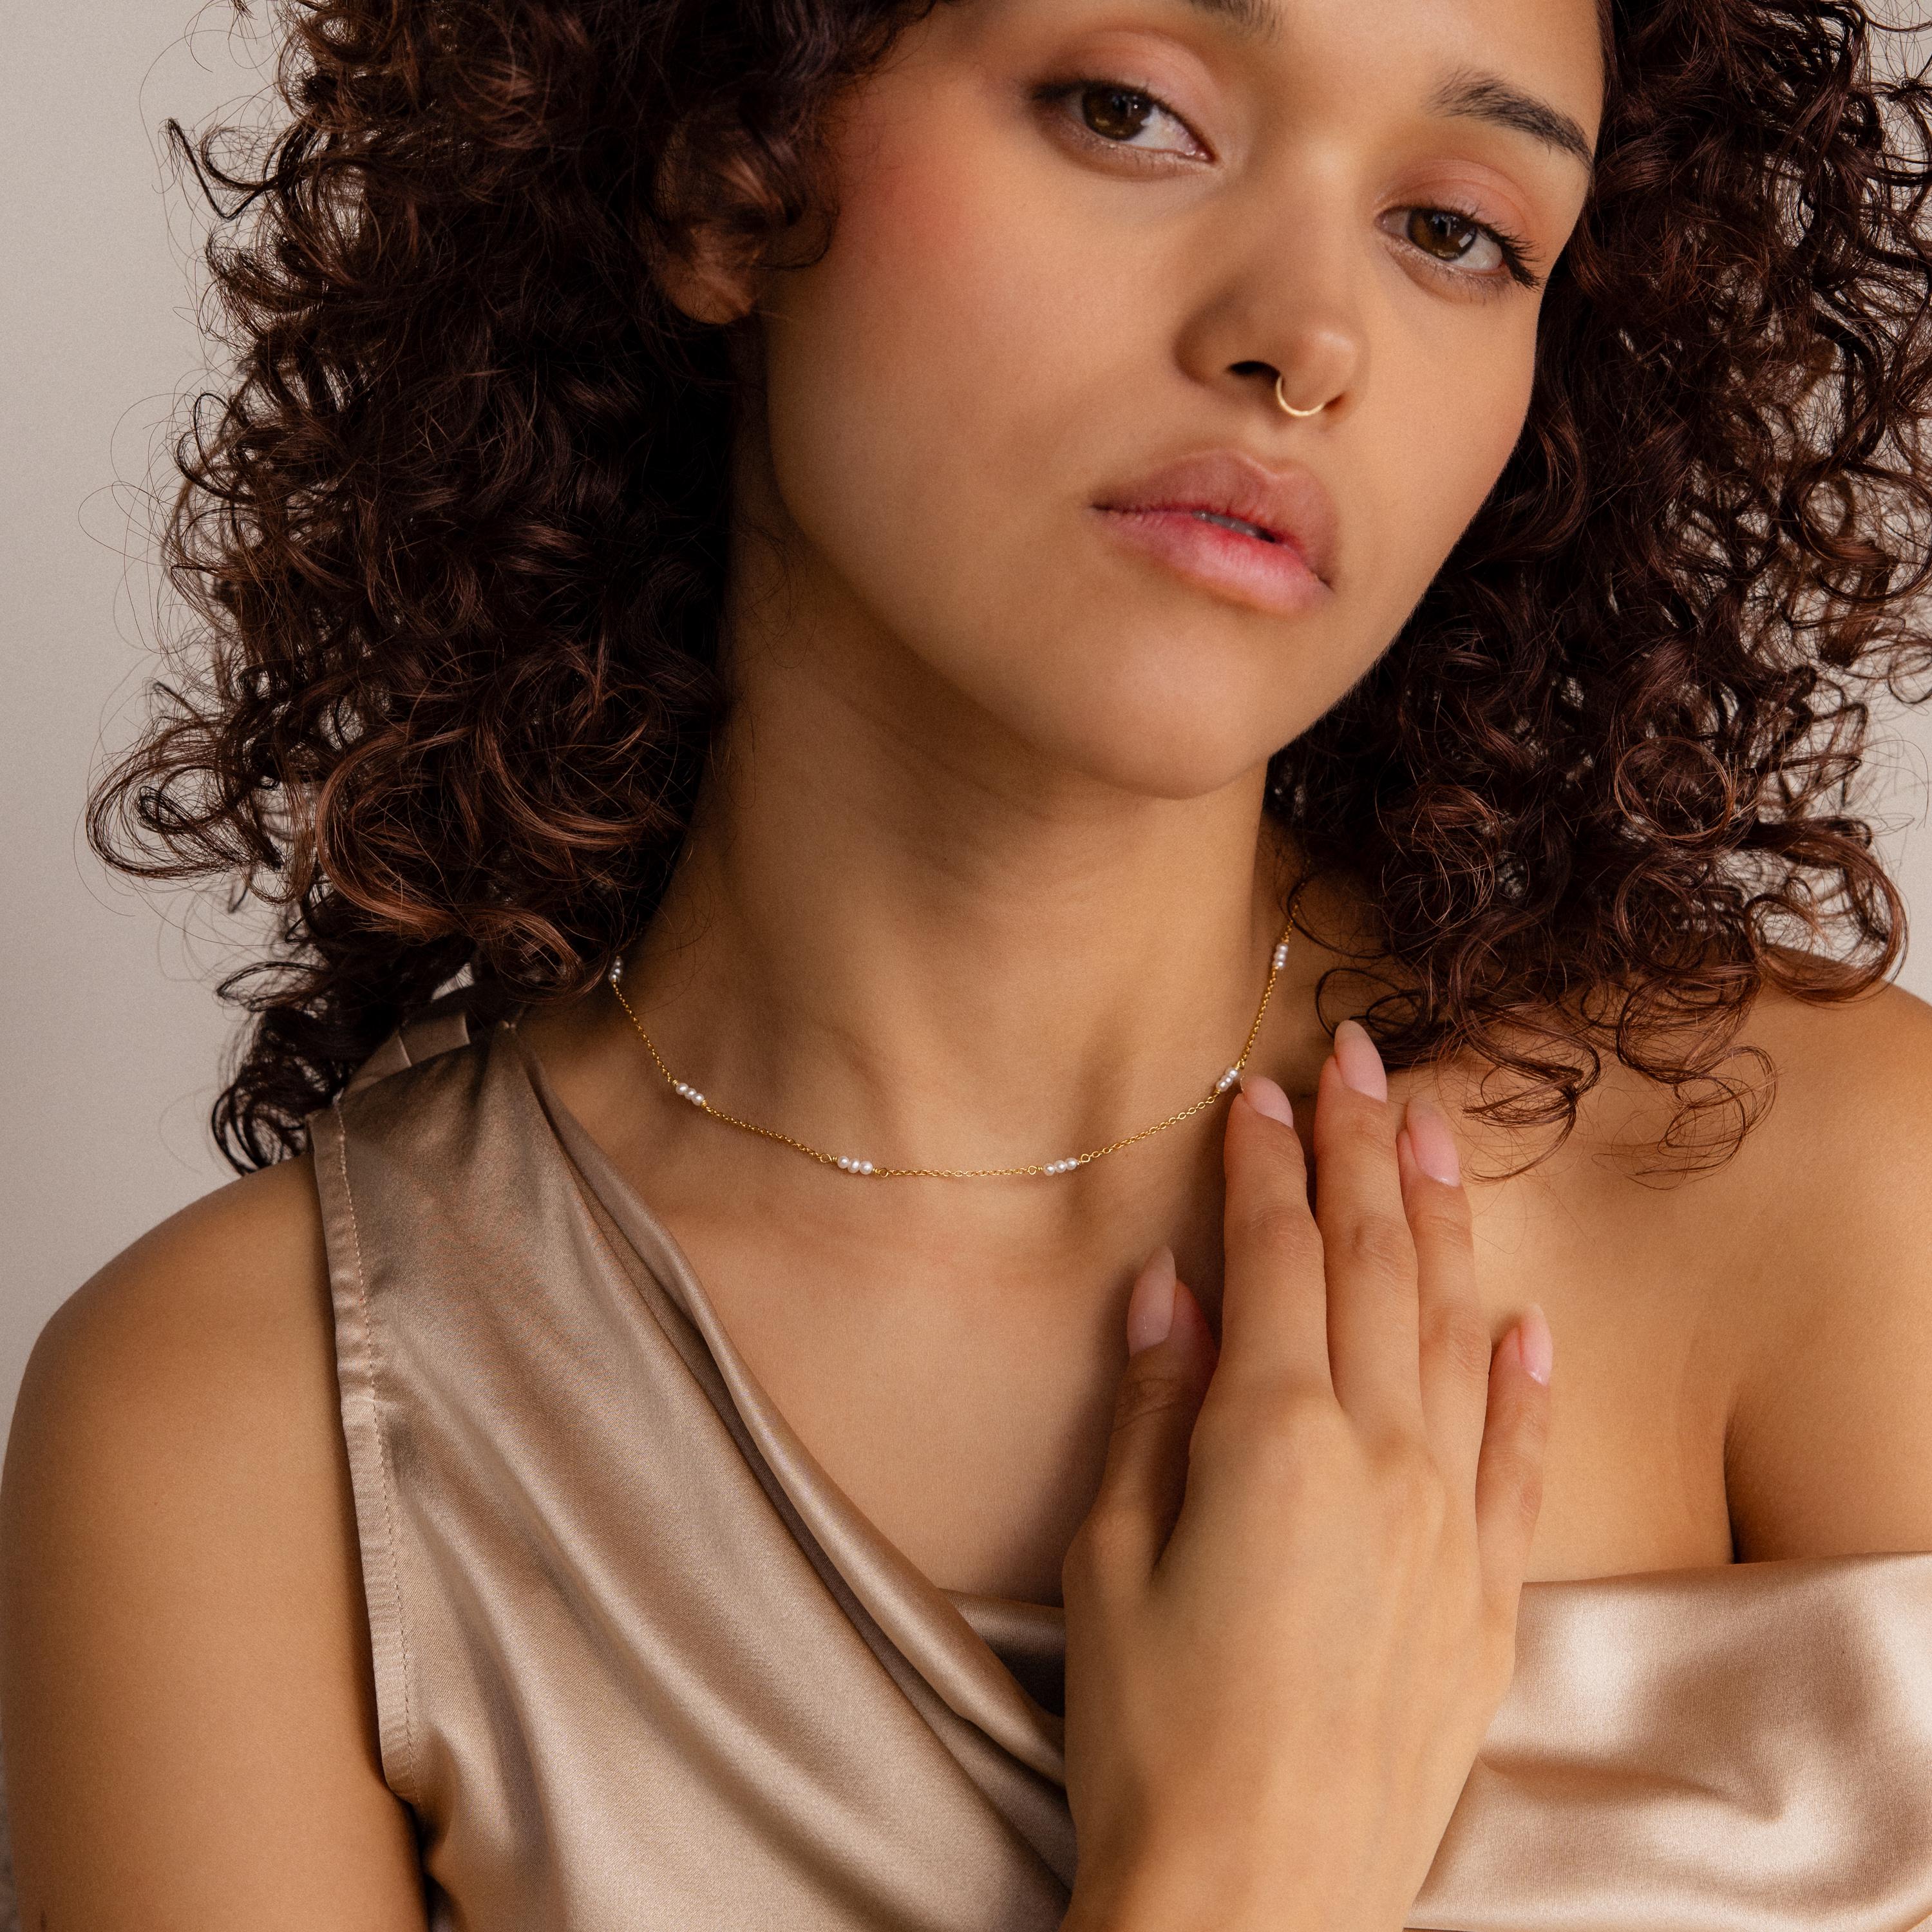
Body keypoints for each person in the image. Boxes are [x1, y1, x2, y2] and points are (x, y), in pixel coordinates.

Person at [9, 0, 1932, 1923]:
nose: (1306, 339)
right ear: (728, 174)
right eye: (1134, 113)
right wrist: (1238, 1868)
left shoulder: (1816, 1192)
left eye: (1455, 231)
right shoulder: (254, 1442)